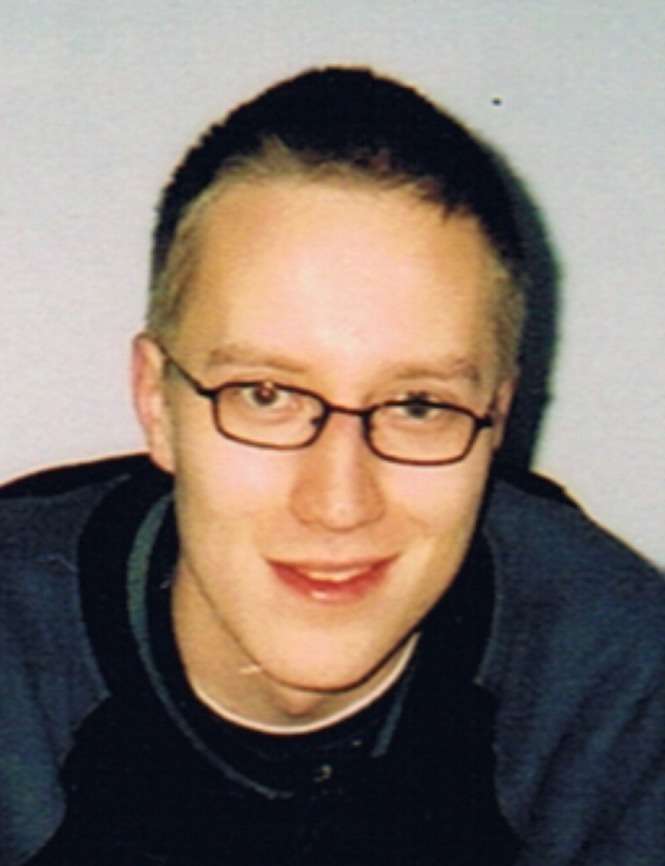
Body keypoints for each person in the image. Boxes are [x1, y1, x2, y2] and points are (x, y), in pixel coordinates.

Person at [1, 67, 664, 866]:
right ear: (156, 403)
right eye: (266, 395)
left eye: (417, 404)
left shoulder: (620, 693)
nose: (338, 502)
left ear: (495, 418)